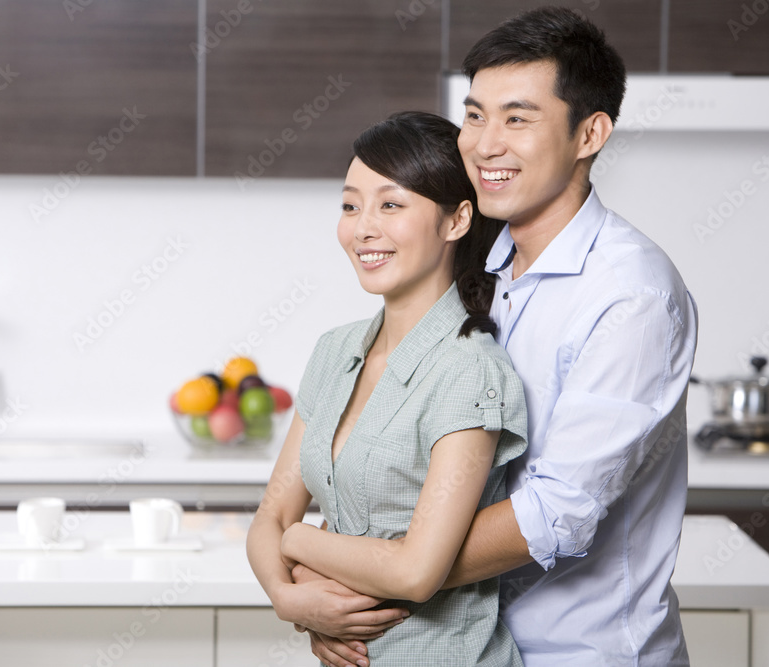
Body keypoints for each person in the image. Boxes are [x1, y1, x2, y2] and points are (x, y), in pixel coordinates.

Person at [299, 7, 698, 667]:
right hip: (454, 647)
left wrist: (354, 579)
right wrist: (331, 598)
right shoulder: (470, 268)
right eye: (475, 115)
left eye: (517, 118)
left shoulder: (632, 296)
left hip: (574, 655)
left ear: (590, 133)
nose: (484, 144)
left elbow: (556, 513)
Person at [246, 111, 529, 665]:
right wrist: (291, 599)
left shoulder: (468, 371)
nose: (363, 227)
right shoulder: (336, 350)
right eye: (351, 205)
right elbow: (272, 513)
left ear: (456, 220)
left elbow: (415, 572)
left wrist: (300, 544)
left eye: (391, 205)